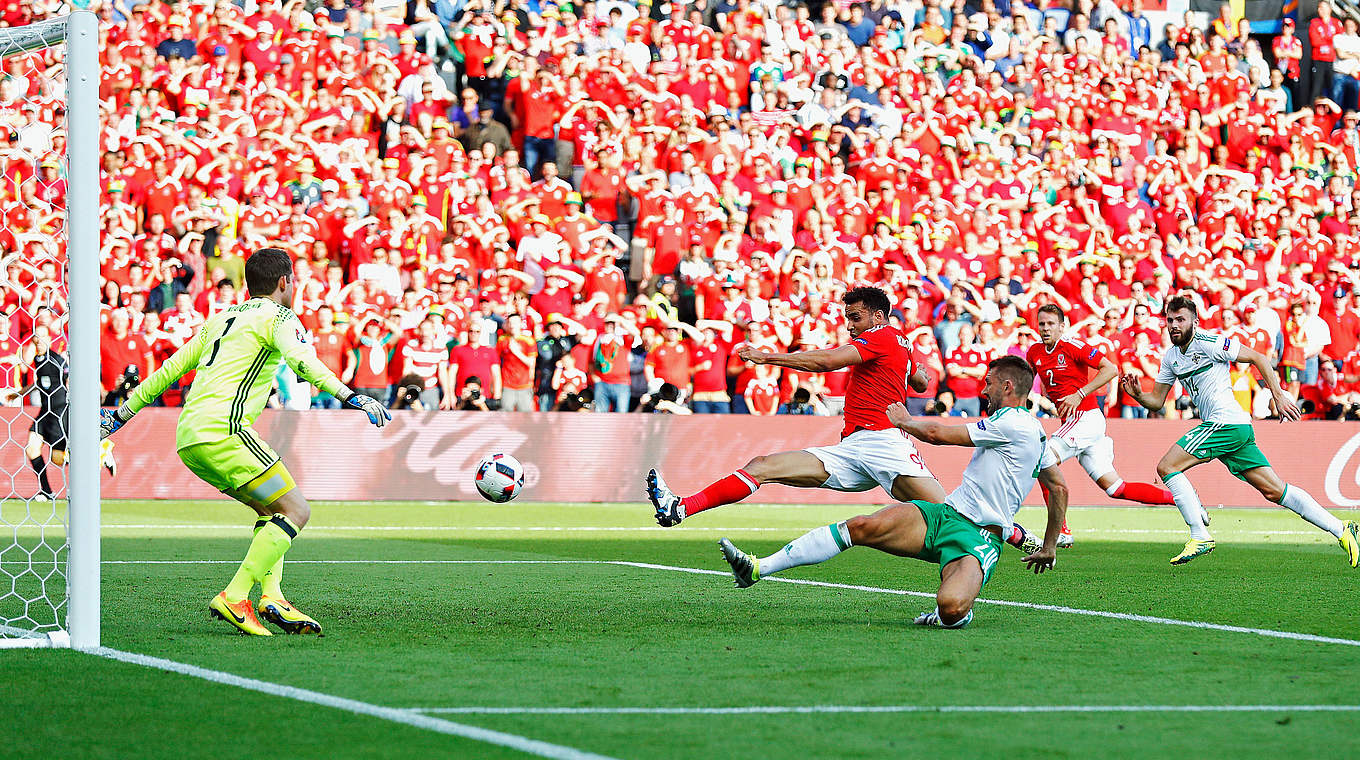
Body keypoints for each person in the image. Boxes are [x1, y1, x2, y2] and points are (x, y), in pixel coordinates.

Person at [99, 248, 391, 636]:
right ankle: (236, 596)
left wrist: (121, 414)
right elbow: (302, 362)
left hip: (189, 436)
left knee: (272, 508)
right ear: (286, 282)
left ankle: (273, 597)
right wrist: (349, 395)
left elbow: (171, 368)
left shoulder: (220, 318)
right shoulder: (281, 317)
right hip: (225, 430)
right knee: (297, 510)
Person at [717, 356, 1069, 629]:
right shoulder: (1031, 432)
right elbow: (1058, 487)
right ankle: (757, 568)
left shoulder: (1012, 423)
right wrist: (1049, 544)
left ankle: (955, 609)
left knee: (950, 609)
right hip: (944, 516)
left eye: (989, 384)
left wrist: (905, 422)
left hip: (980, 539)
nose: (983, 390)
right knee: (861, 527)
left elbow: (938, 434)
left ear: (1008, 387)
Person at [647, 287, 945, 526]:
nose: (850, 326)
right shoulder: (899, 342)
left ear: (878, 317)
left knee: (949, 516)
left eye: (856, 318)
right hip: (855, 447)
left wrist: (767, 357)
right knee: (762, 466)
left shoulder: (883, 335)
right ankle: (680, 509)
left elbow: (826, 361)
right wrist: (918, 371)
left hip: (883, 442)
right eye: (847, 319)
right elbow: (918, 381)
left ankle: (969, 576)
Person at [1119, 295, 1360, 566]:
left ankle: (1199, 534)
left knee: (1167, 467)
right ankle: (1341, 529)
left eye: (1181, 320)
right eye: (1170, 320)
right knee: (1275, 490)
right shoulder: (1171, 357)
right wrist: (1138, 394)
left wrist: (1278, 395)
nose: (1174, 325)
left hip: (1225, 424)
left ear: (1195, 322)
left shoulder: (1209, 343)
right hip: (1233, 429)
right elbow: (1157, 401)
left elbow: (1257, 356)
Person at [1025, 304, 1175, 548]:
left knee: (1043, 460)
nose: (1045, 328)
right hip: (1074, 424)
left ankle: (1061, 530)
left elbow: (1111, 369)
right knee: (1115, 487)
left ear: (1062, 326)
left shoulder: (1073, 346)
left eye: (1051, 324)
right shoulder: (1034, 353)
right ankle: (1179, 498)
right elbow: (1028, 382)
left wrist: (1080, 393)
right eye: (1042, 324)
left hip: (1086, 418)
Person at [17, 327, 116, 499]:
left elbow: (70, 378)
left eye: (42, 337)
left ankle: (101, 452)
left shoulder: (56, 360)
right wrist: (19, 393)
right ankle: (47, 492)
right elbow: (40, 382)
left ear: (49, 338)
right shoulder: (38, 359)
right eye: (36, 337)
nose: (39, 341)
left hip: (58, 412)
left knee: (57, 458)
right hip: (44, 412)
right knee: (32, 449)